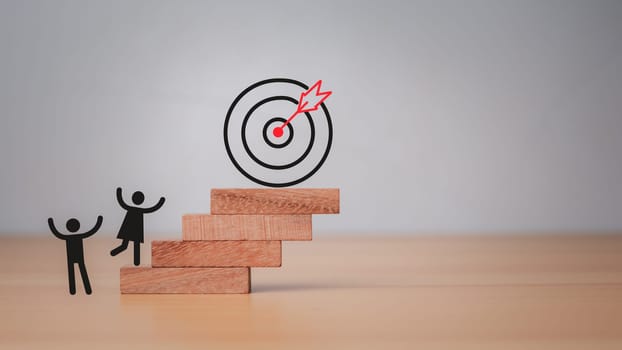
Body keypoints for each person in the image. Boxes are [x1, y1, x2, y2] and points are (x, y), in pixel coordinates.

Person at [48, 215, 103, 295]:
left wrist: (51, 223)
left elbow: (57, 234)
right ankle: (85, 290)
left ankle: (74, 290)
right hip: (79, 257)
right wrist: (99, 221)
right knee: (82, 271)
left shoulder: (67, 237)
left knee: (72, 272)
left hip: (72, 257)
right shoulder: (79, 236)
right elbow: (91, 231)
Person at [110, 187, 165, 266]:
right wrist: (161, 201)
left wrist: (119, 192)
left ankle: (135, 262)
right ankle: (135, 261)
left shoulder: (131, 209)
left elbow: (122, 203)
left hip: (130, 226)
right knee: (135, 245)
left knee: (126, 245)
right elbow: (152, 209)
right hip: (132, 227)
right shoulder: (140, 211)